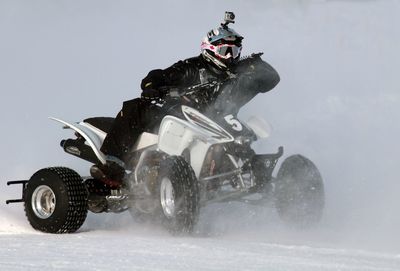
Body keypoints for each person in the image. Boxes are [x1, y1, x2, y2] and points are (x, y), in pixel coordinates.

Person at [94, 12, 280, 188]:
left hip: (219, 124)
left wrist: (254, 64)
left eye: (235, 50)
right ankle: (113, 162)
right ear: (211, 49)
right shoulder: (192, 67)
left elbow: (271, 78)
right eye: (225, 50)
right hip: (179, 116)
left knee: (245, 138)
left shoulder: (238, 76)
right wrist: (152, 87)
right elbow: (158, 76)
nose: (231, 56)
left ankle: (267, 177)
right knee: (134, 106)